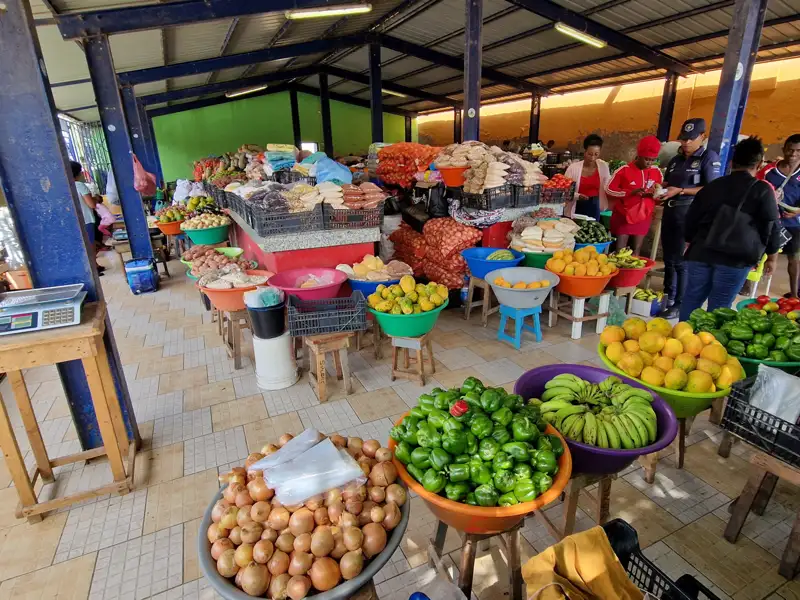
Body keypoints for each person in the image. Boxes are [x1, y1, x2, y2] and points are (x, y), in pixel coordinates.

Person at [679, 137, 783, 321]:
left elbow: (690, 220)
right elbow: (772, 227)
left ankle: (682, 336)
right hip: (734, 259)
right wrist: (772, 258)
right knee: (720, 306)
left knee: (692, 299)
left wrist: (691, 241)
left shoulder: (713, 186)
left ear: (732, 162)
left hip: (701, 253)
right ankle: (710, 340)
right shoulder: (762, 190)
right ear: (759, 164)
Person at [657, 118, 721, 318]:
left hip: (688, 214)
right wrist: (658, 187)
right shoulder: (676, 160)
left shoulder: (708, 158)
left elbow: (712, 189)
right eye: (684, 139)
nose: (686, 142)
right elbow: (668, 182)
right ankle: (668, 296)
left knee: (680, 261)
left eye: (691, 139)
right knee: (669, 259)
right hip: (670, 212)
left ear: (702, 136)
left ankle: (680, 303)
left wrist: (682, 190)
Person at [757, 134, 800, 297]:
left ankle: (794, 294)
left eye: (798, 151)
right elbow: (755, 189)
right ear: (784, 149)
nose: (793, 154)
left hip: (794, 223)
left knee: (794, 257)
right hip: (768, 221)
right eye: (790, 150)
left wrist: (798, 211)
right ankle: (747, 284)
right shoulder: (769, 171)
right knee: (757, 253)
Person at [605, 135, 663, 255]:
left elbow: (659, 190)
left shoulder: (656, 172)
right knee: (620, 250)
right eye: (646, 159)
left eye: (652, 160)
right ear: (639, 155)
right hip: (624, 216)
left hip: (644, 217)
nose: (649, 163)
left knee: (636, 250)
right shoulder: (624, 170)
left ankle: (634, 266)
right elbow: (609, 189)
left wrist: (656, 195)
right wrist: (630, 192)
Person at [564, 134, 610, 221]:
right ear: (585, 152)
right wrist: (577, 196)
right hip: (576, 205)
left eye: (596, 154)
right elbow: (565, 190)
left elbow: (608, 185)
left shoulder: (603, 166)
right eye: (590, 154)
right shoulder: (573, 168)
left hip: (594, 206)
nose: (592, 158)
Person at [70, 161, 105, 274]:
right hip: (86, 219)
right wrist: (96, 198)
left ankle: (94, 265)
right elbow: (91, 204)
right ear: (77, 173)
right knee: (90, 244)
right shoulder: (79, 185)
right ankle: (93, 268)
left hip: (73, 221)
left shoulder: (64, 186)